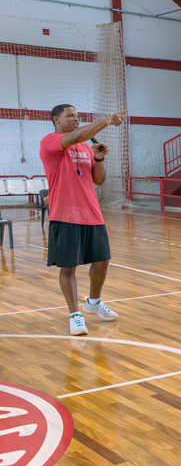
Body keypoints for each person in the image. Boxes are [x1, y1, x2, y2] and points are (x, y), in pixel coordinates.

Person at [40, 104, 127, 335]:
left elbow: (99, 180)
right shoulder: (50, 141)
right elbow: (75, 136)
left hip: (92, 213)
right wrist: (106, 121)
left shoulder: (86, 147)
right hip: (65, 214)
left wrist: (98, 158)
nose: (76, 119)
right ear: (56, 120)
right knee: (68, 267)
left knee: (102, 261)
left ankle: (94, 302)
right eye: (70, 115)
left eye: (78, 116)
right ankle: (75, 315)